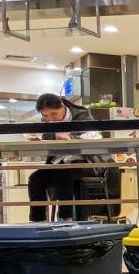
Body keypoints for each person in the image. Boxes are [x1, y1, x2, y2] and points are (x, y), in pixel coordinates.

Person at [27, 93, 113, 222]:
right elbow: (47, 139)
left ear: (62, 106)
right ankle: (38, 221)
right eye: (45, 116)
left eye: (54, 114)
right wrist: (40, 140)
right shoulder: (46, 120)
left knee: (63, 172)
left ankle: (65, 218)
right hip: (58, 163)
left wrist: (71, 138)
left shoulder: (81, 115)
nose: (50, 119)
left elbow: (95, 137)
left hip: (86, 161)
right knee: (35, 178)